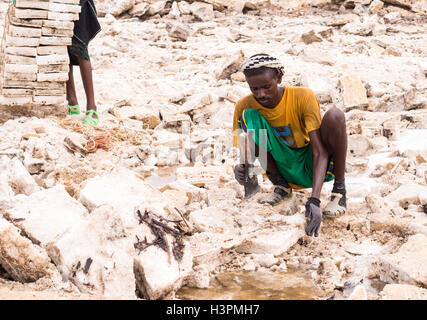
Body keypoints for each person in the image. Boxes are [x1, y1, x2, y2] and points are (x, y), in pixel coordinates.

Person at [233, 53, 348, 237]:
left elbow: (320, 151)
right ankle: (282, 187)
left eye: (266, 87)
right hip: (281, 167)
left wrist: (315, 200)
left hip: (313, 166)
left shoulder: (302, 97)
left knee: (335, 116)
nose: (260, 94)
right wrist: (243, 170)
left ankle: (339, 192)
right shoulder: (244, 105)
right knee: (249, 116)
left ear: (278, 78)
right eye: (254, 89)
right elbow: (246, 149)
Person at [66, 0, 101, 125]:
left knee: (81, 48)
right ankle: (72, 102)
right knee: (63, 47)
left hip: (80, 4)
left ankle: (92, 108)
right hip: (60, 4)